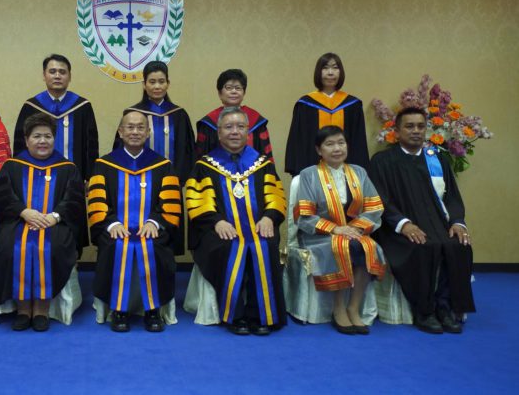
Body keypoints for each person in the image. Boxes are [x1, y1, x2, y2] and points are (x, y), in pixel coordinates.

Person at [369, 107, 475, 334]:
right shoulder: (382, 161)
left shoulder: (437, 159)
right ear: (397, 131)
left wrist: (457, 222)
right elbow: (379, 199)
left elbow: (452, 197)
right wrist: (403, 224)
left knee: (459, 245)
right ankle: (424, 311)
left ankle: (445, 307)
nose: (416, 131)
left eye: (420, 126)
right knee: (424, 247)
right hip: (396, 227)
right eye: (409, 126)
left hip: (437, 223)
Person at [185, 106, 286, 335]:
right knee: (229, 246)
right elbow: (196, 200)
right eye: (228, 127)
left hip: (258, 226)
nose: (234, 132)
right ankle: (235, 315)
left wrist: (269, 217)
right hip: (217, 229)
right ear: (219, 132)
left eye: (240, 126)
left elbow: (276, 196)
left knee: (264, 245)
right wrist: (216, 221)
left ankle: (262, 315)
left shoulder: (262, 163)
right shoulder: (205, 165)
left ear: (248, 132)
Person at [88, 111, 182, 332]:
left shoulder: (162, 165)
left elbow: (170, 204)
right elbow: (97, 202)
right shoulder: (104, 164)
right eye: (130, 127)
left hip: (150, 229)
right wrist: (112, 224)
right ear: (120, 132)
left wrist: (155, 222)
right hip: (116, 228)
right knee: (115, 245)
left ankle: (153, 309)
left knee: (155, 245)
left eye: (140, 127)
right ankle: (118, 309)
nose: (135, 132)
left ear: (148, 132)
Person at [0, 113, 85, 332]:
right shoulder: (12, 166)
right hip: (18, 221)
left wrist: (54, 216)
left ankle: (42, 309)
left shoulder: (67, 168)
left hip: (55, 223)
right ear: (26, 140)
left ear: (54, 139)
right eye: (36, 136)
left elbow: (74, 199)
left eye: (48, 136)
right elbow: (3, 195)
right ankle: (23, 309)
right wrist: (24, 212)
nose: (42, 141)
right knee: (13, 247)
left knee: (51, 246)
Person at [295, 126, 386, 334]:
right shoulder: (309, 175)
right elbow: (305, 215)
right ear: (319, 150)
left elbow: (374, 207)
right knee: (345, 247)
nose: (337, 149)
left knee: (367, 247)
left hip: (354, 232)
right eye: (330, 144)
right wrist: (336, 229)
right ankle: (338, 308)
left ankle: (353, 307)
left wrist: (354, 228)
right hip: (319, 235)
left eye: (341, 143)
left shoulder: (359, 172)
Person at [112, 61, 194, 255]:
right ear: (144, 84)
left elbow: (187, 152)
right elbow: (119, 151)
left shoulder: (179, 115)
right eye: (152, 82)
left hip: (170, 183)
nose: (157, 86)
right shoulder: (132, 115)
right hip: (135, 184)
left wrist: (177, 180)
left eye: (161, 81)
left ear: (168, 84)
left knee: (165, 237)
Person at [13, 54, 99, 180]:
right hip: (36, 178)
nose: (57, 76)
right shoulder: (31, 107)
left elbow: (91, 148)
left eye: (62, 72)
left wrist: (90, 177)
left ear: (70, 77)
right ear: (44, 75)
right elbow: (20, 145)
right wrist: (20, 174)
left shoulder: (82, 107)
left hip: (74, 178)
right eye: (52, 71)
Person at [285, 53, 369, 176]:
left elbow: (358, 142)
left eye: (335, 68)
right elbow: (299, 142)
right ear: (318, 72)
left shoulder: (352, 105)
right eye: (325, 68)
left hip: (346, 173)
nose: (330, 73)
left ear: (340, 72)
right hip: (313, 171)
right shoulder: (305, 105)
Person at [195, 69, 273, 161]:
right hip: (216, 169)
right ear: (220, 93)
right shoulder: (208, 123)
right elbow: (201, 159)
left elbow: (266, 159)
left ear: (244, 93)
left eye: (238, 88)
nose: (234, 91)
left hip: (252, 169)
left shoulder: (256, 121)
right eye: (228, 88)